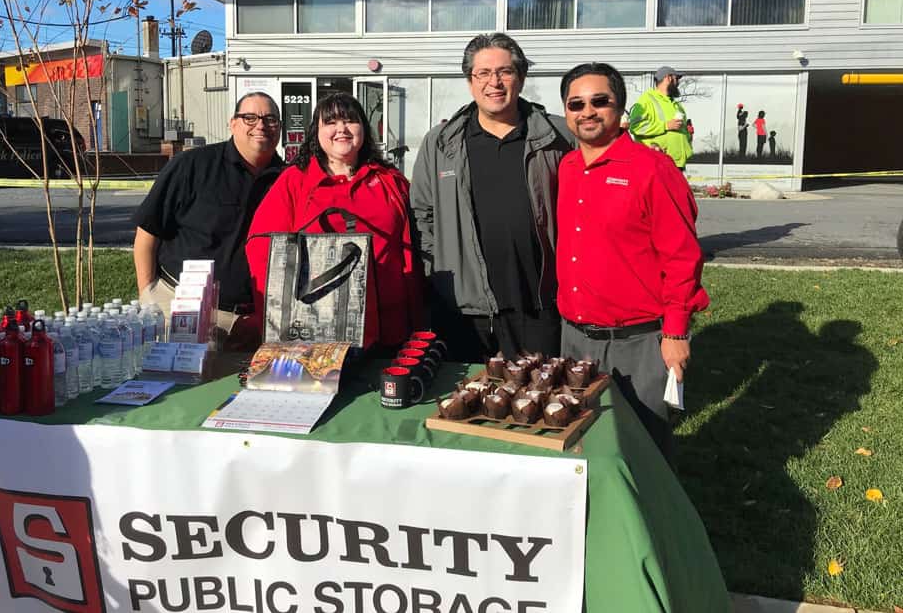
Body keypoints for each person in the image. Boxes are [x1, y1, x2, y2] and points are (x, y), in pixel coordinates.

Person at [556, 62, 709, 462]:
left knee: (644, 449)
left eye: (599, 101)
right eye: (576, 103)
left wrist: (675, 334)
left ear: (619, 107)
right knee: (584, 445)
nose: (587, 111)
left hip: (637, 343)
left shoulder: (653, 169)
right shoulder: (567, 168)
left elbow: (682, 257)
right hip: (575, 339)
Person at [410, 32, 572, 361]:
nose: (494, 82)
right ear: (470, 81)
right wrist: (439, 271)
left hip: (538, 303)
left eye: (505, 71)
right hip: (464, 310)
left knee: (537, 404)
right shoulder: (441, 143)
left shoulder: (558, 137)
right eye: (483, 73)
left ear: (521, 77)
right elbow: (421, 214)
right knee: (462, 406)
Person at [246, 92, 422, 350]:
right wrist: (280, 319)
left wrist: (417, 317)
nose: (341, 128)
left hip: (387, 327)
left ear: (363, 128)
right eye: (330, 122)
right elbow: (263, 250)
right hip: (315, 328)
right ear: (316, 131)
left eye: (350, 120)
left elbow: (413, 251)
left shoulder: (390, 181)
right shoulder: (294, 181)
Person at [132, 92, 284, 340]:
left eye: (270, 119)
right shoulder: (192, 165)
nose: (261, 126)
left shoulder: (288, 180)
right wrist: (148, 295)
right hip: (180, 309)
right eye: (250, 118)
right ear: (232, 123)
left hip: (252, 323)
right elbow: (148, 232)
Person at [629, 66, 692, 169]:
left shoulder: (676, 105)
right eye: (677, 79)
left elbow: (680, 130)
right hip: (655, 163)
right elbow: (636, 126)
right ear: (668, 78)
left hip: (676, 163)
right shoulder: (646, 100)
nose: (678, 83)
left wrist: (688, 133)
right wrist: (665, 125)